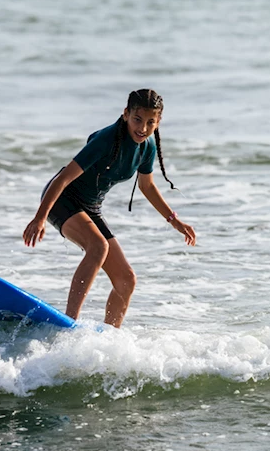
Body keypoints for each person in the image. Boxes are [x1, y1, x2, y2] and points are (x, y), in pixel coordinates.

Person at [22, 89, 196, 328]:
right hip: (63, 198)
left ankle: (109, 337)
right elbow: (62, 179)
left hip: (90, 207)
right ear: (126, 114)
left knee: (126, 280)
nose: (143, 128)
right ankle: (68, 322)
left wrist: (174, 220)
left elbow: (148, 186)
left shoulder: (147, 147)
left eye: (150, 122)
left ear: (158, 122)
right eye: (137, 119)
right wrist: (39, 218)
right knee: (98, 246)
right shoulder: (106, 139)